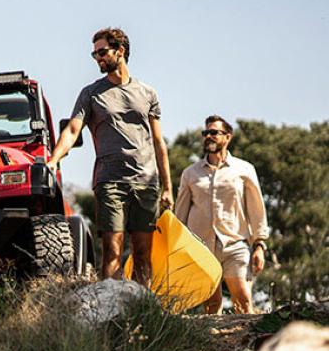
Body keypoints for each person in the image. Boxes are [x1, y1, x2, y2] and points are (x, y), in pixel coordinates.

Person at [48, 27, 173, 285]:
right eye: (94, 54)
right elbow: (73, 129)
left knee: (142, 254)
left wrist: (167, 187)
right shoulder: (91, 93)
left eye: (102, 52)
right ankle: (109, 311)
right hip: (110, 182)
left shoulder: (147, 93)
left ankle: (142, 311)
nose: (98, 58)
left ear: (120, 51)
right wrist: (53, 159)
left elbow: (159, 142)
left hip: (146, 182)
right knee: (112, 252)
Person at [175, 115, 269, 314]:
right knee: (211, 304)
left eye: (214, 132)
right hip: (201, 248)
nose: (208, 136)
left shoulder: (244, 169)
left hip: (235, 244)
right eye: (205, 133)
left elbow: (256, 209)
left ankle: (249, 344)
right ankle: (214, 341)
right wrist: (176, 249)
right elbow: (180, 214)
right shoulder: (190, 173)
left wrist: (259, 244)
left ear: (228, 137)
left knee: (243, 298)